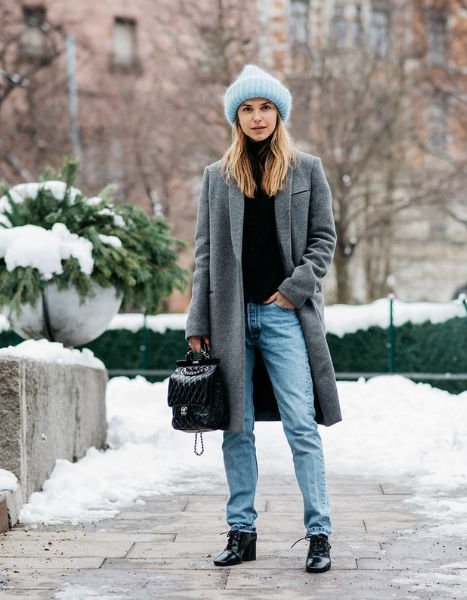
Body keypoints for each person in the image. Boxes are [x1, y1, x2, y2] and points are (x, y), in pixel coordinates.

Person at [185, 65, 341, 574]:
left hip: (283, 315)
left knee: (301, 426)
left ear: (279, 114)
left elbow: (323, 241)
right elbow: (204, 256)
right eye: (247, 109)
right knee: (237, 428)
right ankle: (242, 531)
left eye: (265, 108)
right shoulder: (217, 177)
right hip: (230, 320)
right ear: (236, 117)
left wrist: (294, 291)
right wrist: (197, 323)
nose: (257, 117)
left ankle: (319, 535)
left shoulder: (307, 170)